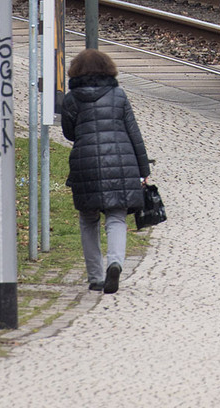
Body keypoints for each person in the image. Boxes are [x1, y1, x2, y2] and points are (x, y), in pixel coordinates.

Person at [61, 48, 151, 294]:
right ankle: (115, 263)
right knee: (116, 217)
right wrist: (143, 171)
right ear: (107, 69)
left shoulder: (71, 99)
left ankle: (95, 277)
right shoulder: (118, 95)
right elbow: (134, 133)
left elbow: (69, 133)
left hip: (85, 164)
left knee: (88, 220)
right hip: (121, 161)